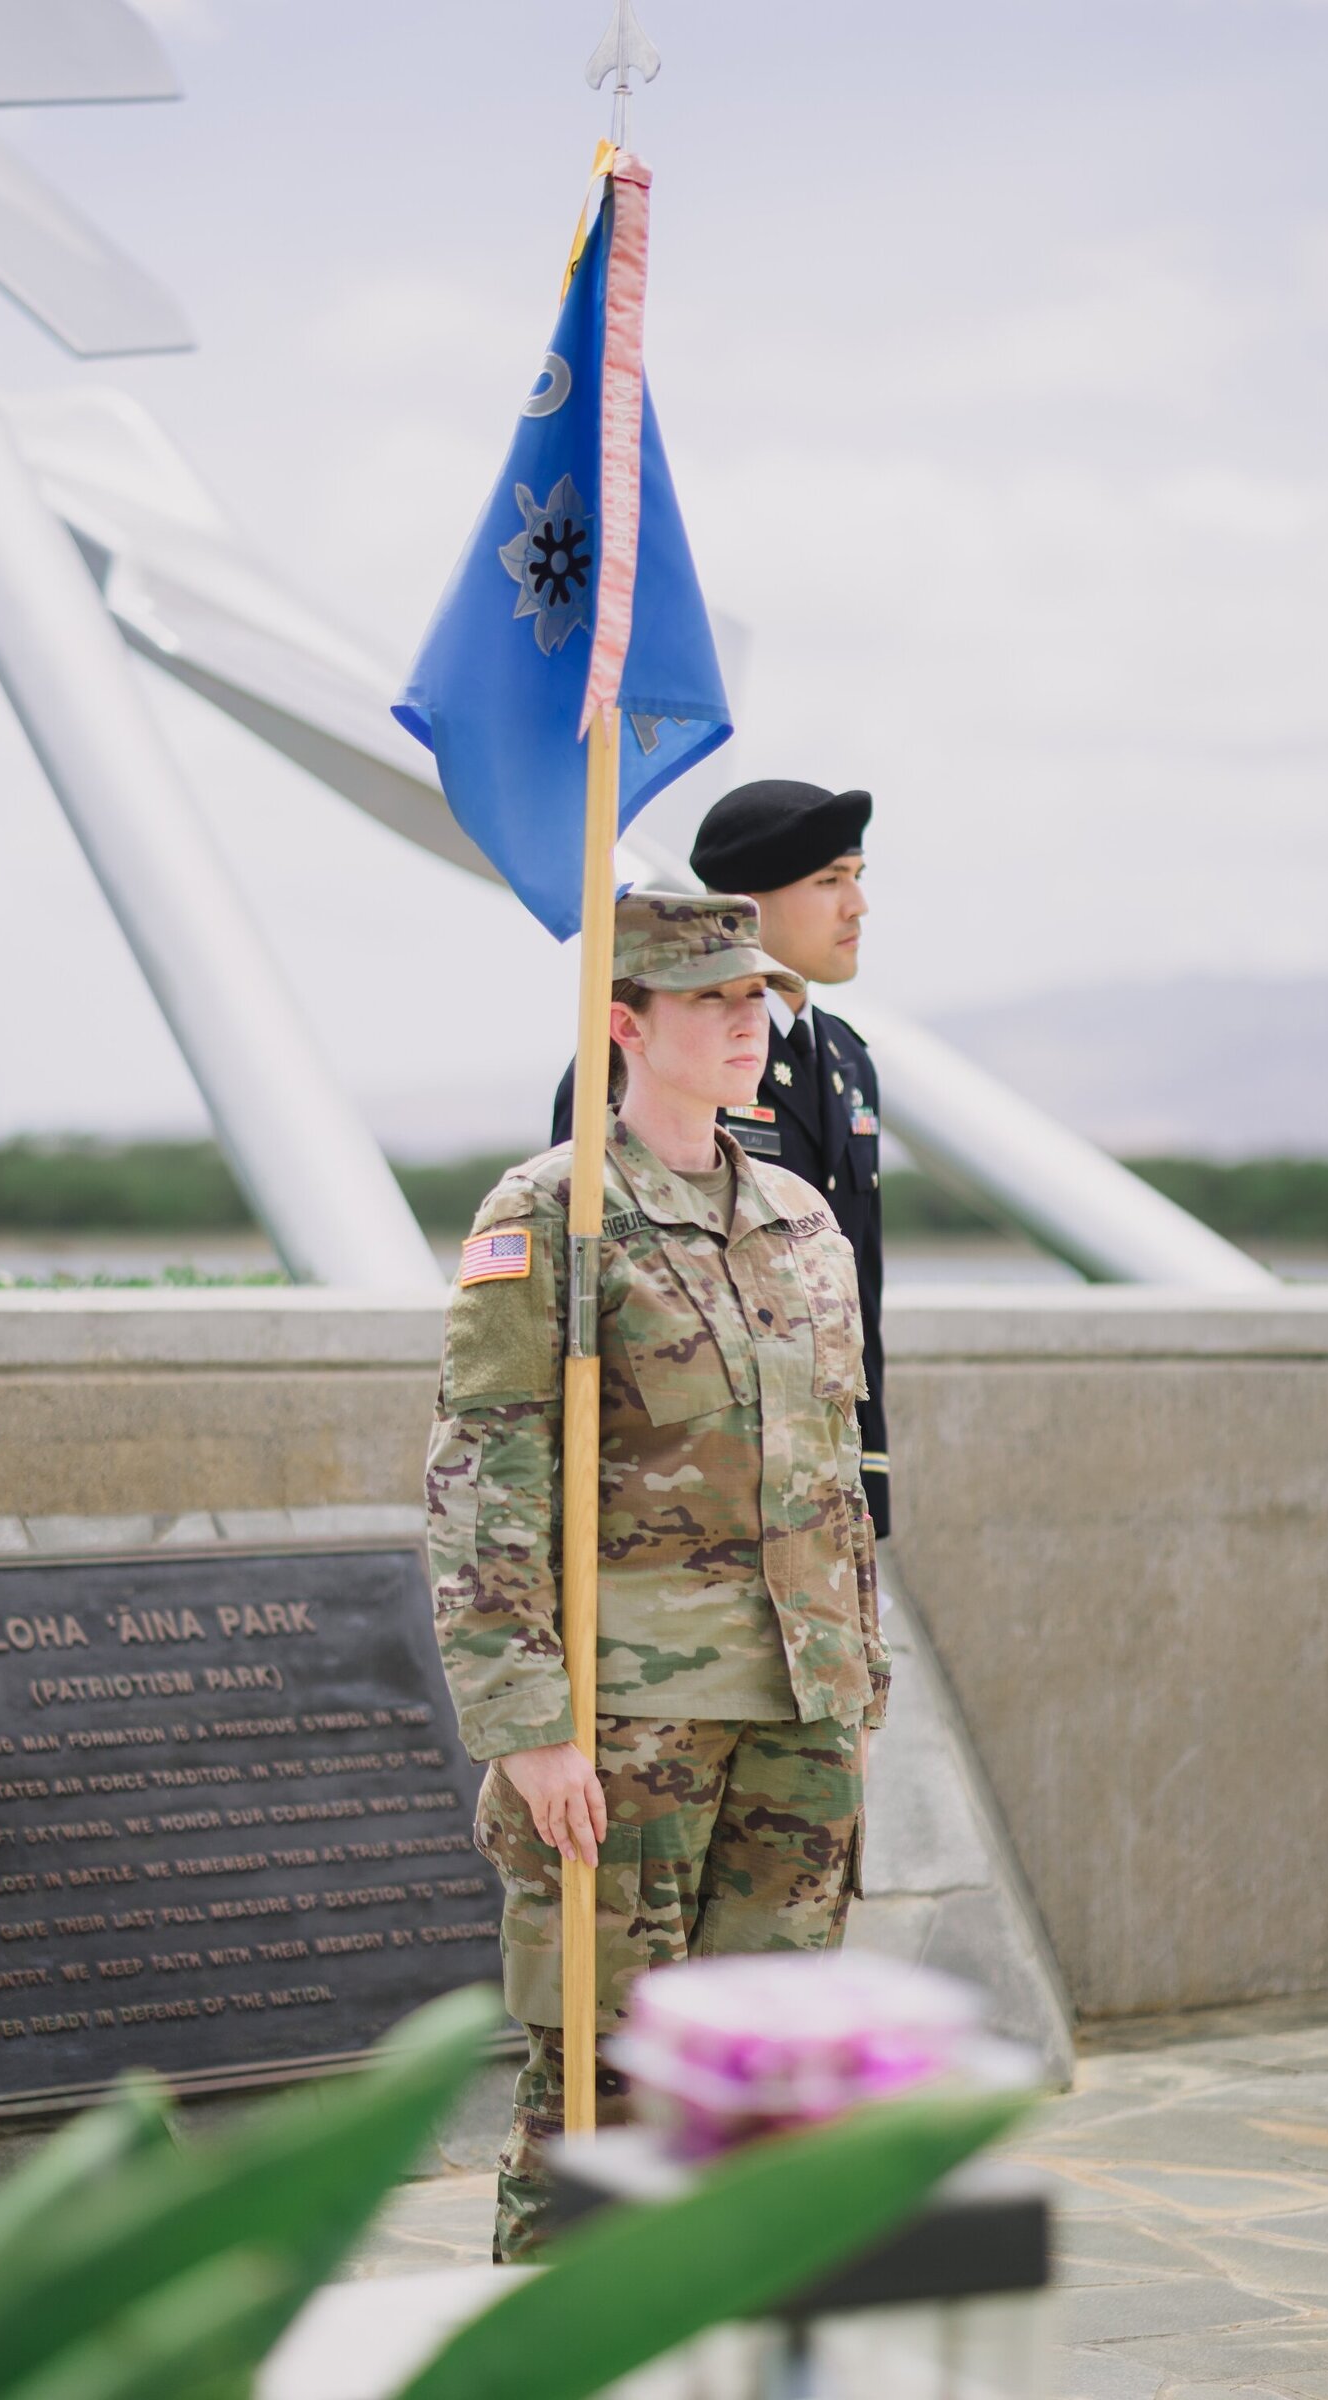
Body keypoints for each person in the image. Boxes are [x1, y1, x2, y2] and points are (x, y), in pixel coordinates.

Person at [428, 891, 890, 2262]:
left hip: (798, 1714)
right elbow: (485, 1479)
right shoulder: (557, 1213)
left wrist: (859, 1676)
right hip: (628, 1730)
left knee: (762, 2095)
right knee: (605, 2090)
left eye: (754, 997)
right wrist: (533, 1729)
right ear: (624, 1024)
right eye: (710, 999)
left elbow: (832, 1468)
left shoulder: (801, 1217)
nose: (747, 1020)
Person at [553, 780, 890, 1534]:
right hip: (678, 1502)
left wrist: (869, 1482)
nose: (856, 906)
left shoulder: (845, 1061)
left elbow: (856, 1296)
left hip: (818, 1490)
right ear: (745, 905)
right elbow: (579, 1285)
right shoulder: (635, 1060)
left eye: (858, 879)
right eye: (829, 881)